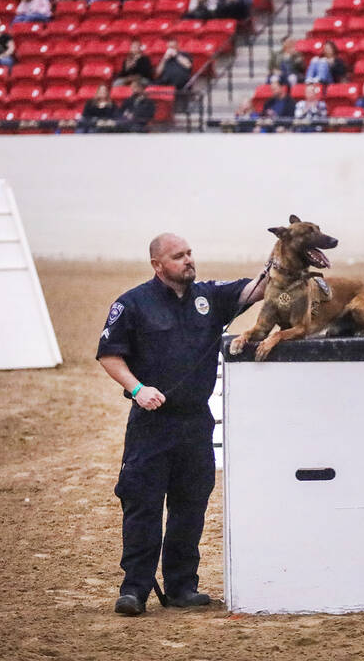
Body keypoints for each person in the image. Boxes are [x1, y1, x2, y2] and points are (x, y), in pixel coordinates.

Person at [97, 233, 265, 617]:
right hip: (152, 424)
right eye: (178, 256)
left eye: (190, 253)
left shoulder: (211, 298)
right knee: (143, 506)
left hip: (195, 423)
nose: (189, 260)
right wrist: (137, 388)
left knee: (190, 507)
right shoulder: (132, 304)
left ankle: (181, 587)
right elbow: (109, 355)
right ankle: (134, 590)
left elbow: (257, 290)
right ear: (158, 265)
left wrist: (284, 257)